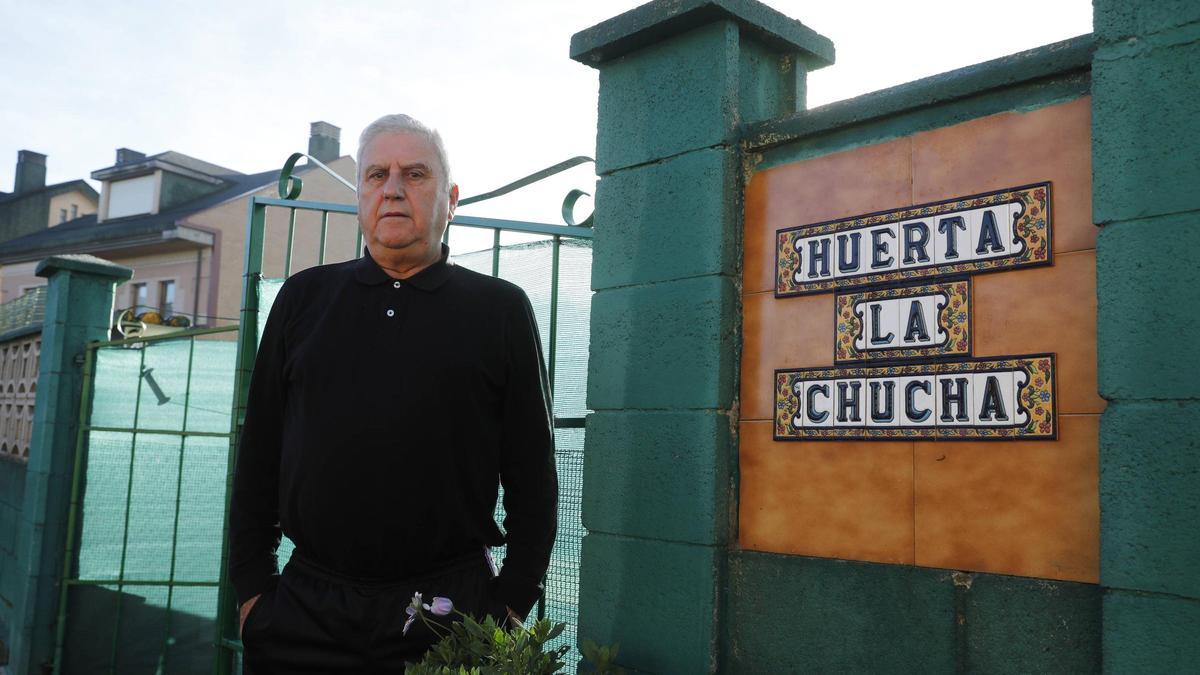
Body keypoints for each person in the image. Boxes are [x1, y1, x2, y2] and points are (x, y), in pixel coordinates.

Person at [228, 113, 558, 672]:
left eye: (416, 174)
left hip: (450, 615)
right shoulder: (303, 299)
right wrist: (254, 593)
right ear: (361, 196)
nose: (394, 189)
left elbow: (534, 473)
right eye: (377, 174)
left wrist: (511, 603)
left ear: (451, 199)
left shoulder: (499, 310)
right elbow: (259, 452)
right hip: (305, 613)